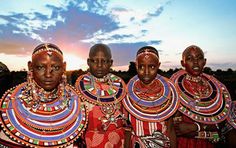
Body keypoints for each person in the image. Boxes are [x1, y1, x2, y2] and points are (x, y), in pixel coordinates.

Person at [0, 43, 88, 147]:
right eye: (40, 67)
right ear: (30, 66)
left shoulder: (77, 104)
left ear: (64, 67)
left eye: (56, 67)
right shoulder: (10, 106)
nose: (48, 74)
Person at [170, 45, 231, 148]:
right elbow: (178, 129)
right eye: (190, 59)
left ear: (205, 61)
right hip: (184, 144)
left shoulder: (217, 89)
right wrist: (210, 131)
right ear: (182, 63)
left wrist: (196, 127)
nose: (195, 62)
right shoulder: (175, 88)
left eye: (199, 58)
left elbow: (222, 122)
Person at [122, 46, 178, 148]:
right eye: (141, 67)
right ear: (136, 66)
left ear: (158, 65)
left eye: (152, 67)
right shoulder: (127, 95)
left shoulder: (168, 95)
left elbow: (170, 130)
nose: (146, 72)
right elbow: (127, 131)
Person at [75, 43, 128, 148]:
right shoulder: (79, 89)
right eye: (94, 61)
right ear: (88, 62)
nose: (99, 65)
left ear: (110, 63)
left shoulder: (120, 87)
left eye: (104, 61)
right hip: (89, 143)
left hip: (117, 143)